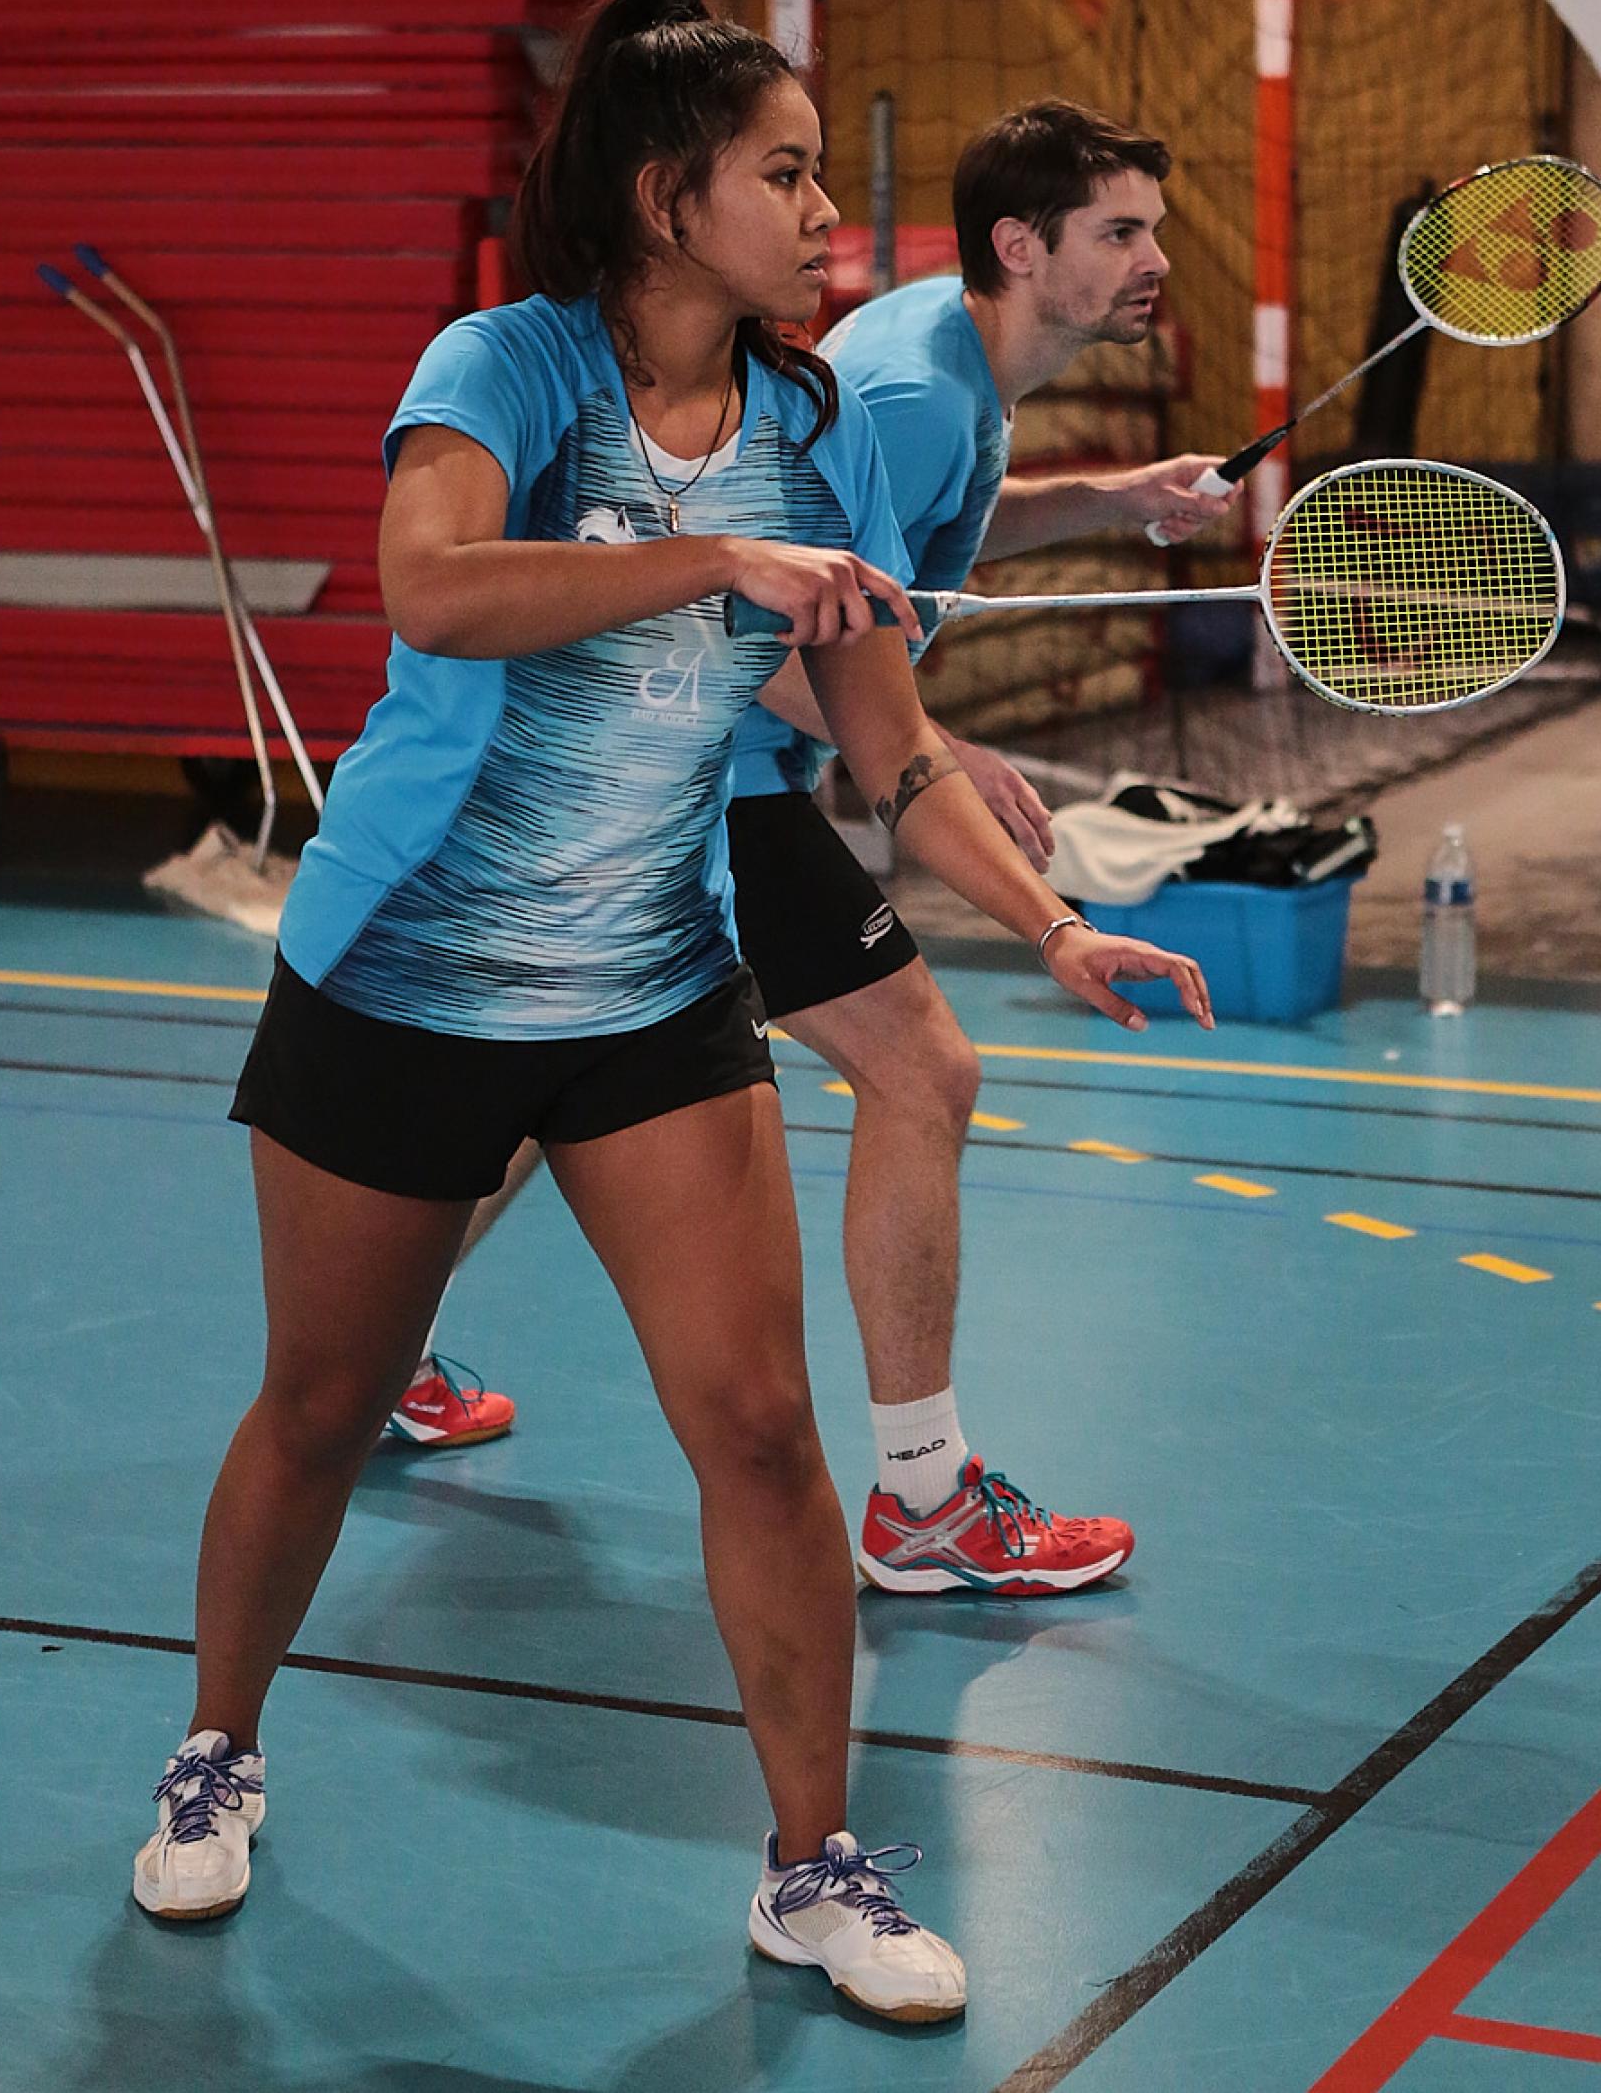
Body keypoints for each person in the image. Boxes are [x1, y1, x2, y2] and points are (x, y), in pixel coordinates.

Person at [131, 0, 1210, 2027]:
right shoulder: (506, 366)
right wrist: (711, 559)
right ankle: (218, 1744)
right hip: (406, 973)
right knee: (324, 1408)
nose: (822, 216)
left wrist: (1052, 928)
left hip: (649, 990)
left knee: (759, 1427)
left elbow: (890, 744)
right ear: (663, 196)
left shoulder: (813, 423)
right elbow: (436, 585)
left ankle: (814, 1865)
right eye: (784, 175)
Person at [398, 102, 1235, 1605]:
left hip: (695, 767)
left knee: (544, 1101)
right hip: (706, 773)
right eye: (1122, 232)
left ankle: (373, 1354)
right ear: (1021, 245)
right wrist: (914, 740)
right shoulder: (908, 390)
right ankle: (924, 1497)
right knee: (925, 1070)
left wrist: (1113, 499)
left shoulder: (956, 371)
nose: (1154, 258)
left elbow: (911, 540)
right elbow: (773, 621)